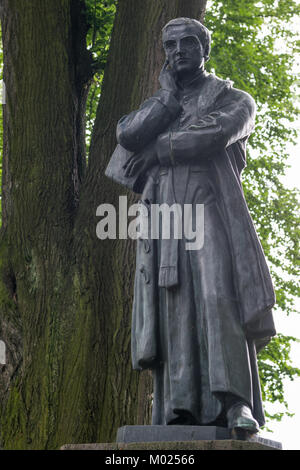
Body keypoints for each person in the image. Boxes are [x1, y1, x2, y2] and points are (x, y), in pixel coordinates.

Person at [106, 17, 276, 438]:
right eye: (170, 44)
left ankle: (236, 403)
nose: (178, 50)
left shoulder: (234, 98)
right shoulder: (160, 105)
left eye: (187, 42)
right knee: (174, 306)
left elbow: (212, 134)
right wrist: (165, 101)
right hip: (164, 219)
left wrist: (161, 150)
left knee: (219, 296)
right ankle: (178, 409)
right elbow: (127, 135)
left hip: (208, 211)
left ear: (204, 48)